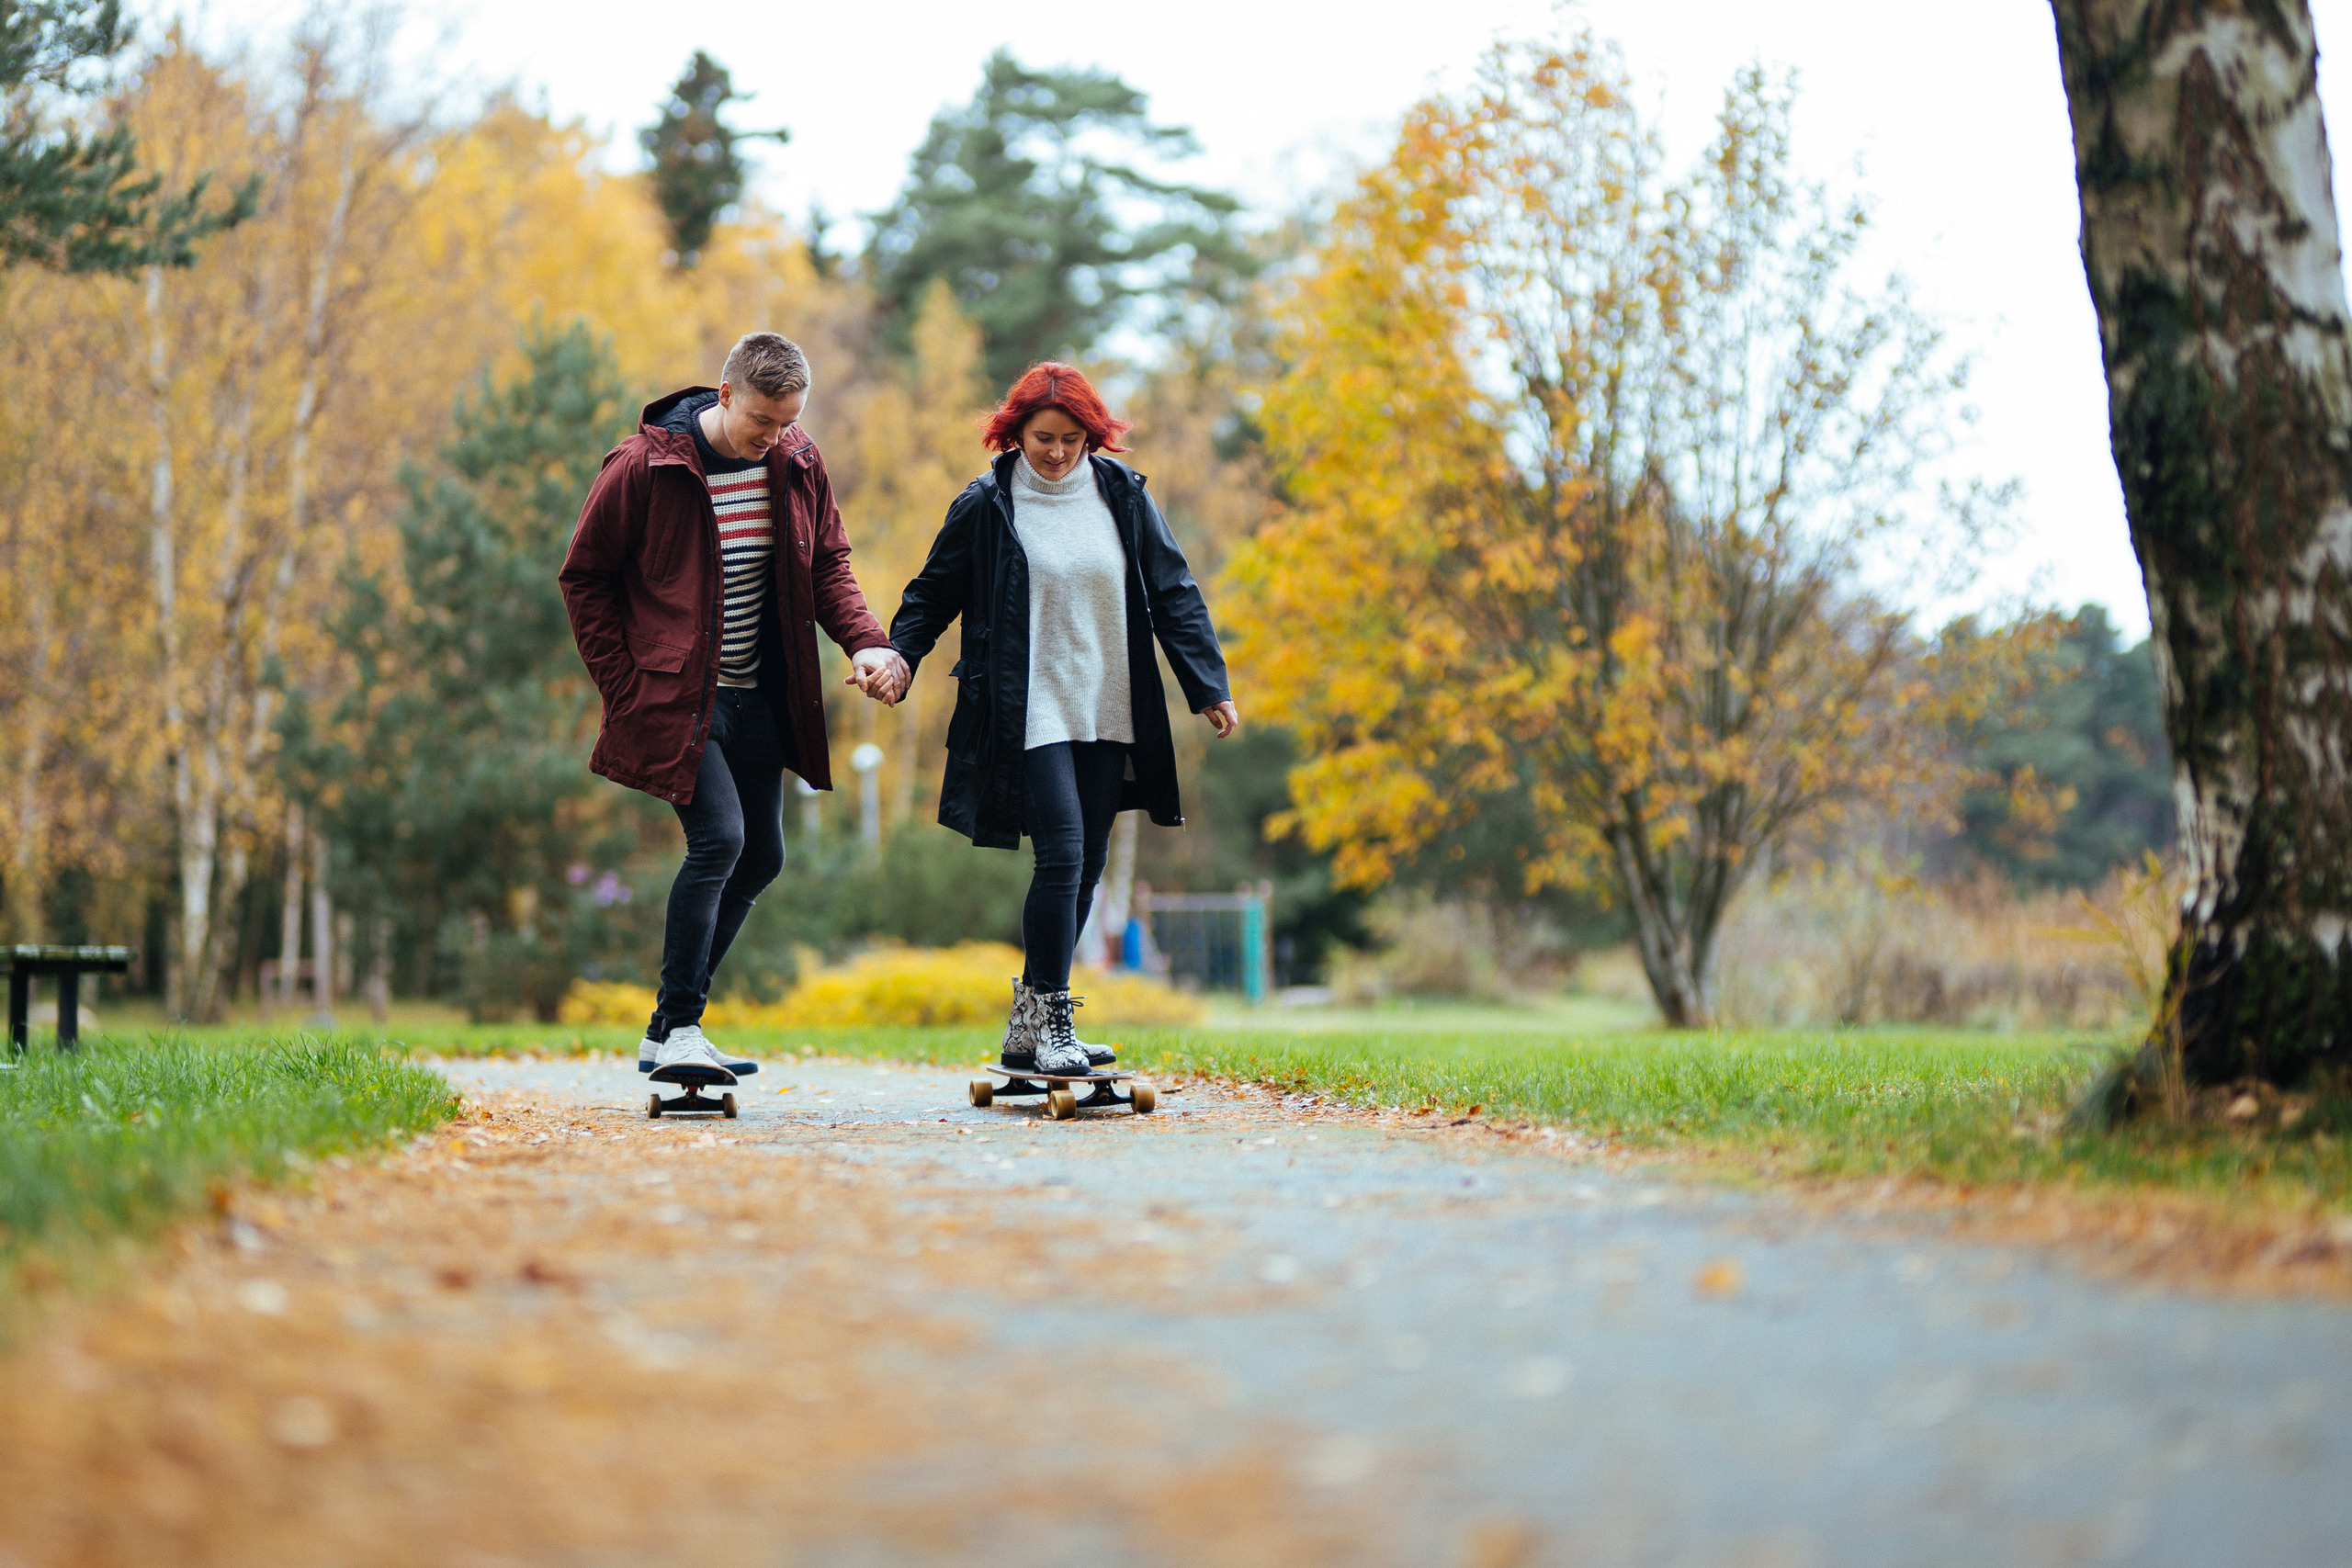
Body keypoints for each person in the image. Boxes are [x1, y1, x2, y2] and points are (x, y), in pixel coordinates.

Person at [560, 333, 910, 1079]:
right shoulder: (645, 467)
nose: (775, 438)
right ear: (724, 396)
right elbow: (584, 577)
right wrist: (623, 686)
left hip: (762, 693)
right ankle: (684, 1024)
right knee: (719, 839)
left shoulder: (798, 463)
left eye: (788, 423)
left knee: (763, 856)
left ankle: (666, 1027)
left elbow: (829, 567)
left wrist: (868, 644)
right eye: (763, 422)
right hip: (680, 696)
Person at [885, 362, 1238, 1077]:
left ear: (1092, 436)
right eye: (1044, 438)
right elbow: (930, 593)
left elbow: (1174, 590)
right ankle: (1050, 1018)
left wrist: (1207, 683)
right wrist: (898, 657)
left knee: (1093, 863)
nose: (1057, 452)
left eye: (1073, 438)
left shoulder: (1122, 495)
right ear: (1015, 432)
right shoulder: (988, 503)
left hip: (1106, 698)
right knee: (1065, 852)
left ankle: (1029, 1027)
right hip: (1029, 700)